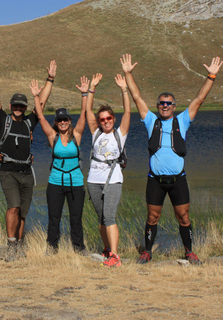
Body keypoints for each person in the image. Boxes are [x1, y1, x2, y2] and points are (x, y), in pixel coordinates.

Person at [121, 54, 223, 265]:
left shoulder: (183, 120)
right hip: (155, 181)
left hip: (178, 180)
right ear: (157, 106)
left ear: (174, 106)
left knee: (184, 217)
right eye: (161, 103)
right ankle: (147, 252)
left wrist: (211, 76)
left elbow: (199, 99)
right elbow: (137, 98)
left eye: (169, 103)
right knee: (152, 218)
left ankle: (189, 252)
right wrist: (128, 74)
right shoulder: (150, 120)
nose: (165, 106)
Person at [0, 60, 56, 262]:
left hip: (27, 173)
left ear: (25, 107)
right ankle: (11, 246)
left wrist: (50, 78)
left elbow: (41, 102)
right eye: (15, 105)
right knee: (13, 207)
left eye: (21, 106)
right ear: (10, 106)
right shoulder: (2, 120)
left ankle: (19, 244)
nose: (18, 108)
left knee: (23, 212)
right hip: (8, 172)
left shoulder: (28, 122)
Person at [29, 76, 89, 255]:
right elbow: (39, 116)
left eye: (65, 119)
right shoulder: (52, 137)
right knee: (54, 217)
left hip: (75, 182)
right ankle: (52, 247)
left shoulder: (76, 135)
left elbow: (84, 114)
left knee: (76, 218)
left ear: (70, 121)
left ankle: (79, 248)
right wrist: (36, 97)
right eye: (59, 120)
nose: (63, 122)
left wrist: (84, 94)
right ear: (56, 122)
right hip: (55, 182)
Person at [85, 73, 131, 267]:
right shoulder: (95, 133)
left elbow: (128, 112)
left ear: (113, 118)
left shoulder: (120, 134)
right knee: (101, 217)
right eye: (102, 119)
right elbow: (87, 110)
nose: (105, 121)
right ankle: (107, 249)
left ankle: (115, 256)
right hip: (93, 180)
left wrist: (124, 89)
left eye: (109, 118)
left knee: (110, 215)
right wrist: (92, 88)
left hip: (113, 180)